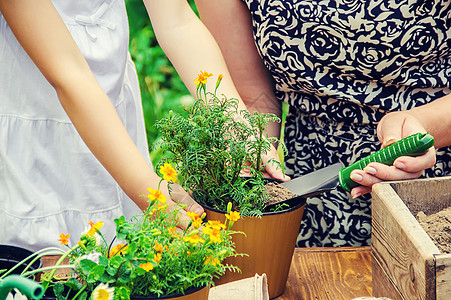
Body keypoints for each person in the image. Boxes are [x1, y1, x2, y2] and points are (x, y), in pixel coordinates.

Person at [170, 0, 451, 247]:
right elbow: (254, 97)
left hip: (433, 174)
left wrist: (422, 122)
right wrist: (252, 156)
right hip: (306, 179)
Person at [0, 0, 211, 251]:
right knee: (52, 267)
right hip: (37, 113)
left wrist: (241, 128)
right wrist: (151, 193)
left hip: (110, 100)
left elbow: (178, 20)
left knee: (122, 255)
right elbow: (69, 75)